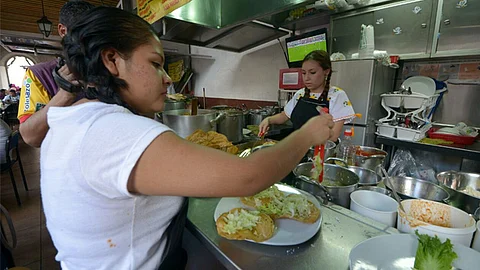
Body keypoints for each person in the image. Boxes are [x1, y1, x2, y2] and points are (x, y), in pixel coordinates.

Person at [40, 7, 334, 270]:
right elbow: (248, 176)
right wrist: (307, 134)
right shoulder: (115, 132)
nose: (167, 78)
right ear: (112, 60)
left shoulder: (75, 121)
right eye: (156, 64)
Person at [17, 0, 95, 147]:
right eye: (83, 32)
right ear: (62, 31)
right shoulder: (38, 74)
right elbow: (30, 136)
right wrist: (65, 94)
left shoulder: (109, 65)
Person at [259, 50, 355, 142]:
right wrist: (268, 120)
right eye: (304, 73)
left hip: (320, 151)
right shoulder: (300, 94)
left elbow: (333, 136)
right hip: (298, 149)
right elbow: (285, 115)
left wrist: (306, 145)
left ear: (326, 71)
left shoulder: (337, 95)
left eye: (312, 72)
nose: (306, 78)